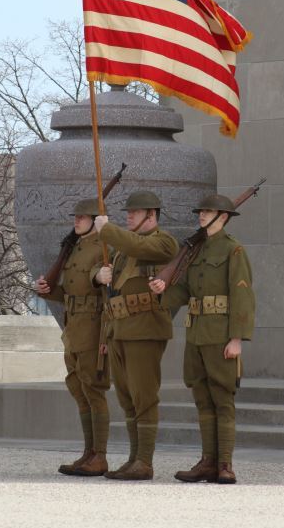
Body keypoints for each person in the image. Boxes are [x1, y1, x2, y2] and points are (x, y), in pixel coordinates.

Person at [150, 194, 255, 485]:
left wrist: (237, 338)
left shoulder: (233, 251)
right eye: (201, 211)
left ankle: (225, 464)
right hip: (196, 334)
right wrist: (163, 289)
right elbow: (184, 291)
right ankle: (207, 461)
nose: (201, 215)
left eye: (207, 211)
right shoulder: (196, 251)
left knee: (223, 399)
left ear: (223, 216)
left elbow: (242, 296)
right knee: (202, 399)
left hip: (220, 335)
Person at [93, 191, 179, 481]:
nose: (128, 216)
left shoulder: (164, 242)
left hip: (145, 329)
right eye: (128, 212)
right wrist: (99, 275)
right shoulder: (122, 251)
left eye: (135, 212)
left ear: (151, 215)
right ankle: (133, 459)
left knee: (144, 396)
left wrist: (106, 229)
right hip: (119, 329)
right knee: (127, 398)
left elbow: (139, 245)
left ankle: (145, 461)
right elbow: (113, 293)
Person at [35, 197, 110, 477]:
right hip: (73, 326)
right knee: (79, 389)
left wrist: (97, 277)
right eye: (75, 217)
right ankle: (88, 452)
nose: (76, 221)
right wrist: (45, 289)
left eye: (81, 217)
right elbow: (68, 292)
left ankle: (99, 456)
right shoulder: (75, 248)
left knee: (94, 389)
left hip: (93, 326)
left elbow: (105, 284)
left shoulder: (104, 246)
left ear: (94, 220)